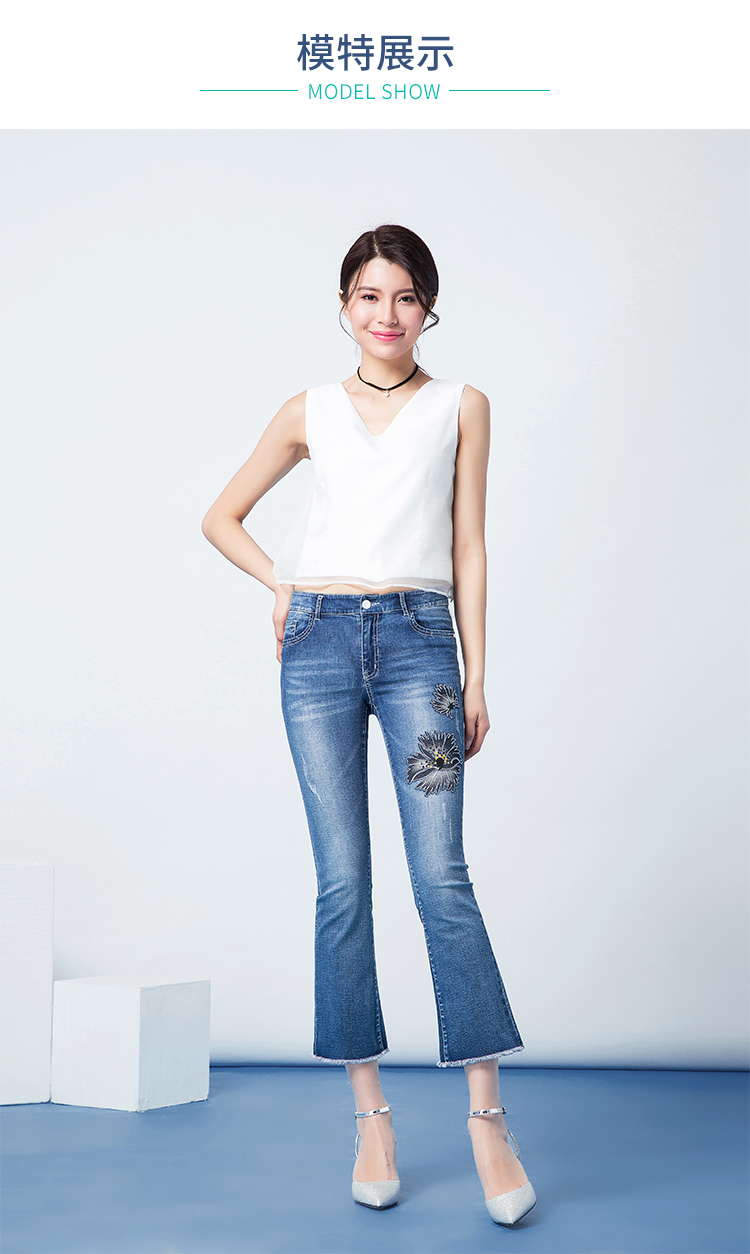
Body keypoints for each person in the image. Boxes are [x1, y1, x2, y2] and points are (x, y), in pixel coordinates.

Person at [201, 224, 536, 1227]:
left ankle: (487, 1121)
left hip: (423, 649)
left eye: (405, 296)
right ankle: (372, 1118)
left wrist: (476, 674)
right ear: (345, 306)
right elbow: (221, 517)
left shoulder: (462, 405)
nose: (386, 314)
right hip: (316, 647)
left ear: (428, 307)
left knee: (442, 878)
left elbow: (469, 544)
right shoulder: (306, 409)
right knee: (342, 882)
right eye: (368, 296)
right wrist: (283, 584)